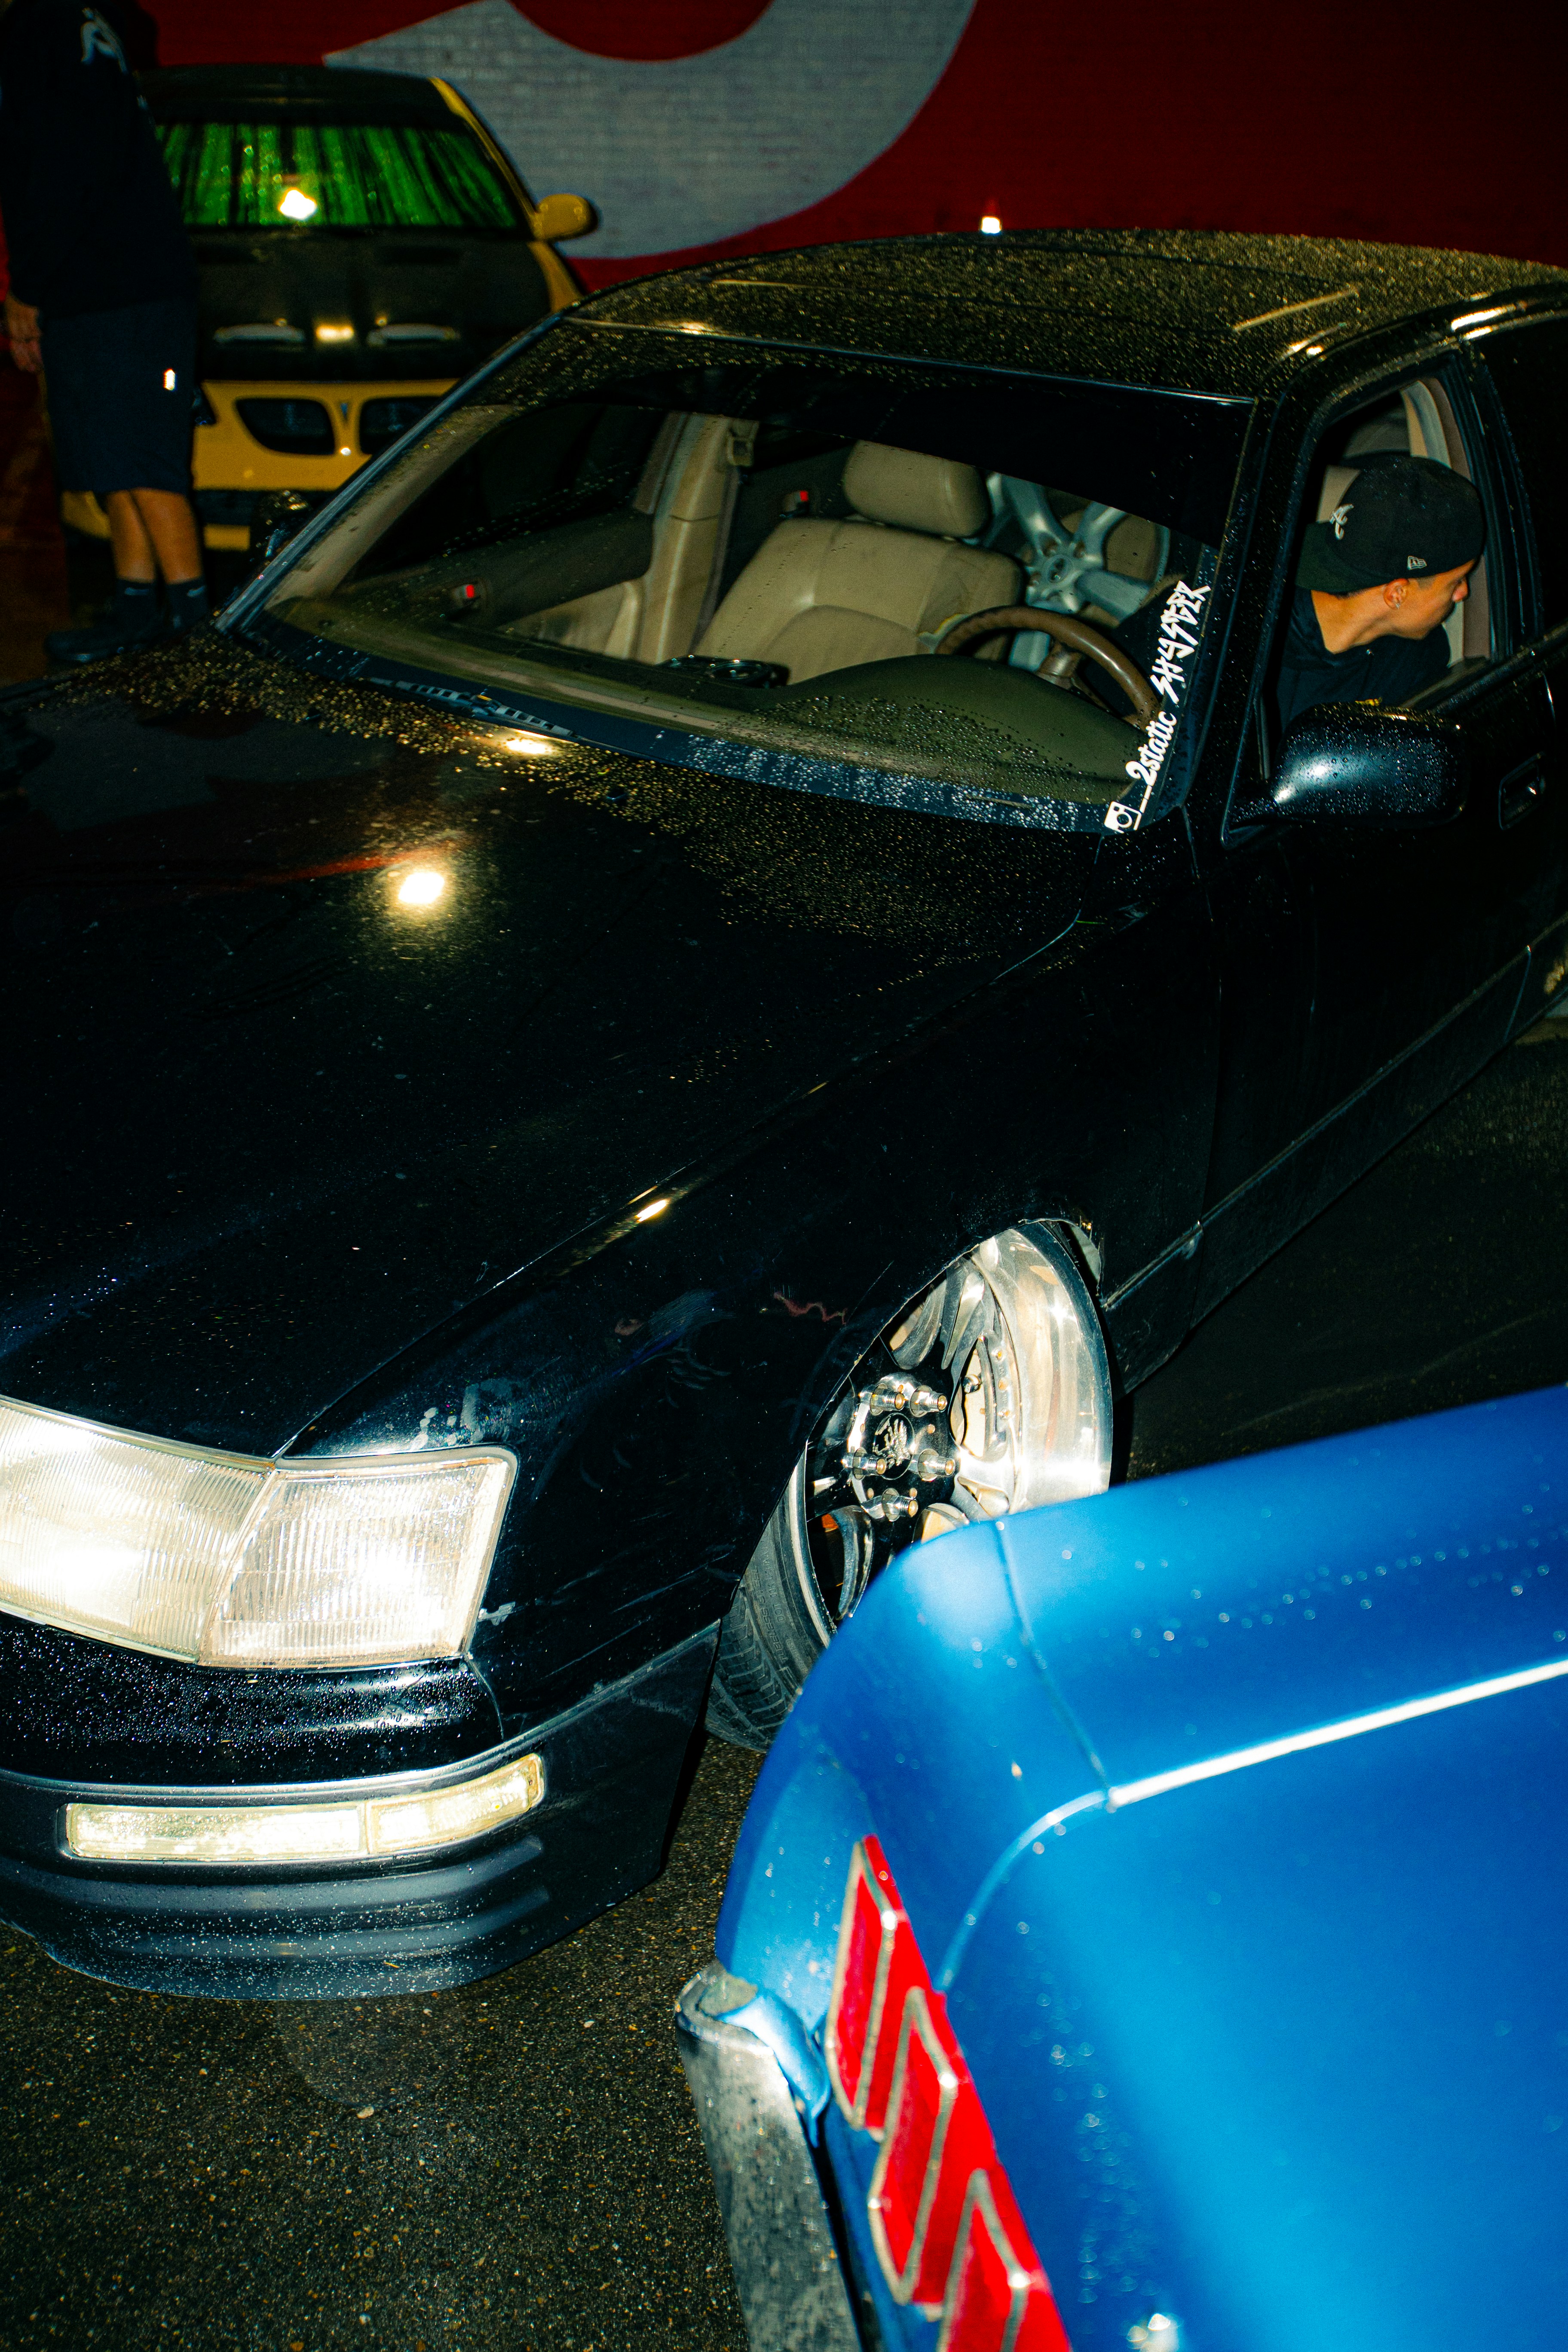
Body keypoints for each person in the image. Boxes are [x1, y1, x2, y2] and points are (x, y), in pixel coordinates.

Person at [0, 0, 208, 665]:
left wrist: (28, 288)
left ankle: (196, 629)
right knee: (121, 458)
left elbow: (57, 172)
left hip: (116, 287)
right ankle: (137, 611)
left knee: (145, 461)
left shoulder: (45, 28)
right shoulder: (86, 27)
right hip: (120, 285)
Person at [1274, 453, 1484, 735]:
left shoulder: (1418, 658)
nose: (1463, 594)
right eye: (1456, 581)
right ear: (1397, 594)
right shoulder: (1261, 650)